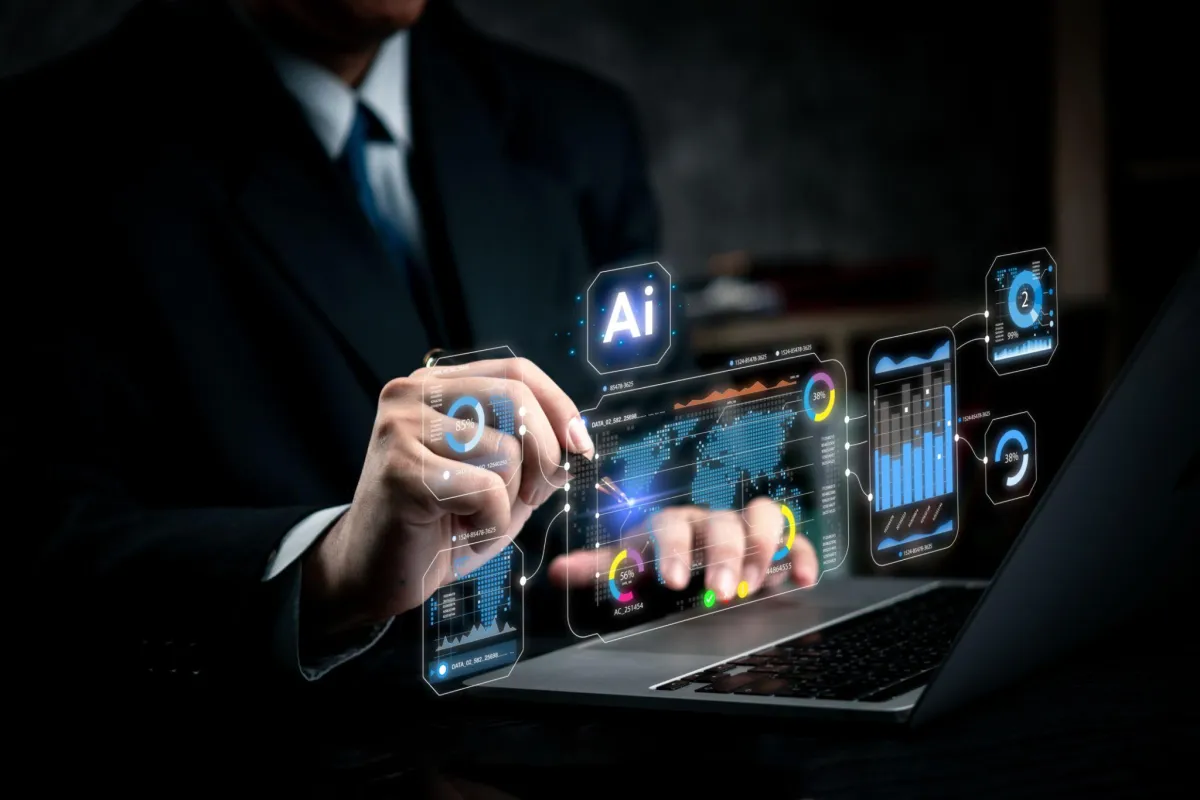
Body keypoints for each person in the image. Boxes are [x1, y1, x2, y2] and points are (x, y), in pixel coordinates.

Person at [3, 0, 819, 690]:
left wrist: (695, 524)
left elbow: (655, 419)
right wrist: (326, 569)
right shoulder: (48, 155)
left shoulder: (575, 125)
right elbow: (42, 546)